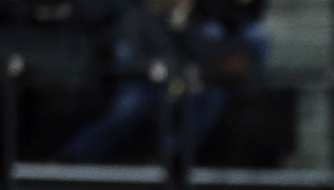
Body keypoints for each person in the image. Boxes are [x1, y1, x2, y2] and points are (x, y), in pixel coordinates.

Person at [56, 0, 230, 163]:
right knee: (130, 108)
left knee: (213, 98)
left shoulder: (189, 26)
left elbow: (200, 59)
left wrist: (181, 30)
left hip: (176, 87)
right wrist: (150, 68)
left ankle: (172, 154)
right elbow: (126, 59)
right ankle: (76, 154)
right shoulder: (138, 19)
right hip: (140, 83)